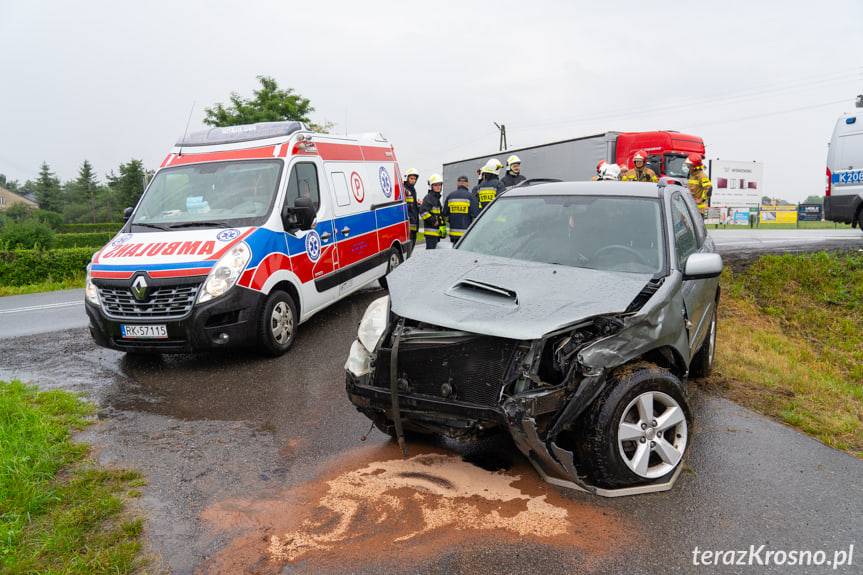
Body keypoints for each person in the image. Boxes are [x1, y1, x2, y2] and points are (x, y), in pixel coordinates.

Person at [443, 175, 480, 242]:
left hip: (453, 234)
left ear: (457, 183)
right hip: (465, 234)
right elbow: (476, 214)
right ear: (467, 184)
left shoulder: (450, 196)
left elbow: (445, 214)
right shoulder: (471, 197)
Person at [420, 173, 446, 249]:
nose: (438, 187)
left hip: (436, 232)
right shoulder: (429, 198)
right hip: (431, 233)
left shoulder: (436, 198)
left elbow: (439, 215)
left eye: (439, 185)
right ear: (431, 186)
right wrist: (434, 221)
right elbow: (423, 212)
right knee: (430, 255)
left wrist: (442, 226)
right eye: (435, 185)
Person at [402, 168, 420, 253]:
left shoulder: (413, 190)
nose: (413, 180)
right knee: (408, 250)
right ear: (407, 178)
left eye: (415, 179)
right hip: (408, 224)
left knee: (412, 248)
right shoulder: (404, 189)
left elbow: (413, 206)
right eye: (411, 178)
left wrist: (418, 204)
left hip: (414, 223)